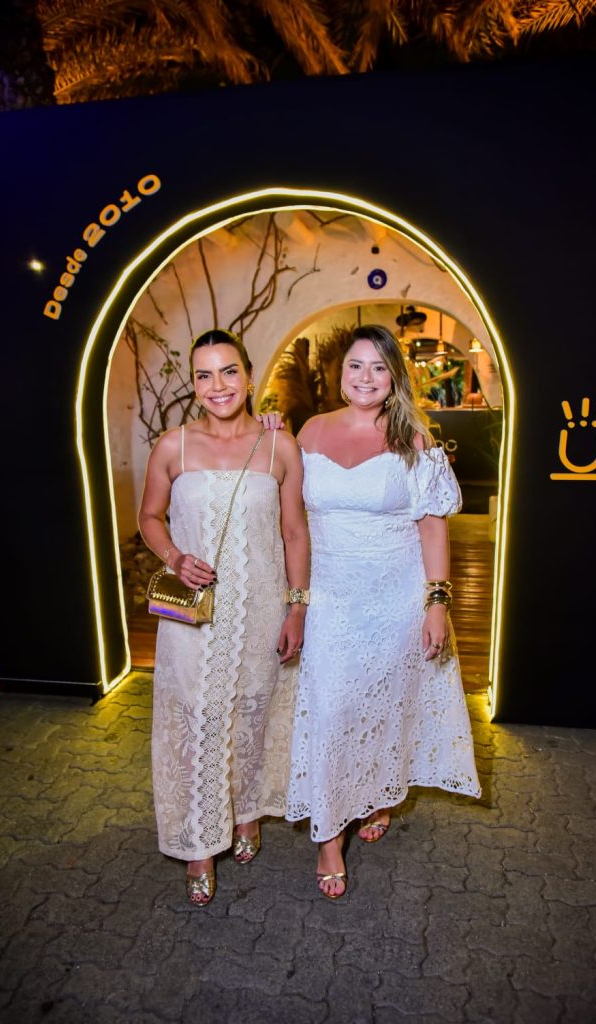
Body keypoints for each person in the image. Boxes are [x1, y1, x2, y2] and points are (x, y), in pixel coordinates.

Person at [284, 324, 481, 899]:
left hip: (395, 597)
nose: (365, 377)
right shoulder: (311, 430)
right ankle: (328, 837)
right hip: (330, 596)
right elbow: (287, 510)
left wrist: (436, 604)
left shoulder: (413, 439)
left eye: (378, 367)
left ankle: (375, 793)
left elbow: (433, 528)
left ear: (394, 377)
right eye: (355, 365)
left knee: (384, 704)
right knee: (331, 708)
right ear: (339, 373)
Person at [138, 328, 310, 906]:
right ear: (193, 384)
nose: (218, 385)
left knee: (253, 714)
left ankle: (247, 812)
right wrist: (174, 557)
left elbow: (294, 532)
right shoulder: (173, 446)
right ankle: (197, 844)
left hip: (261, 607)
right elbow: (149, 517)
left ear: (250, 376)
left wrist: (297, 608)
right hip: (193, 616)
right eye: (205, 374)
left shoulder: (279, 446)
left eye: (229, 371)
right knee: (195, 718)